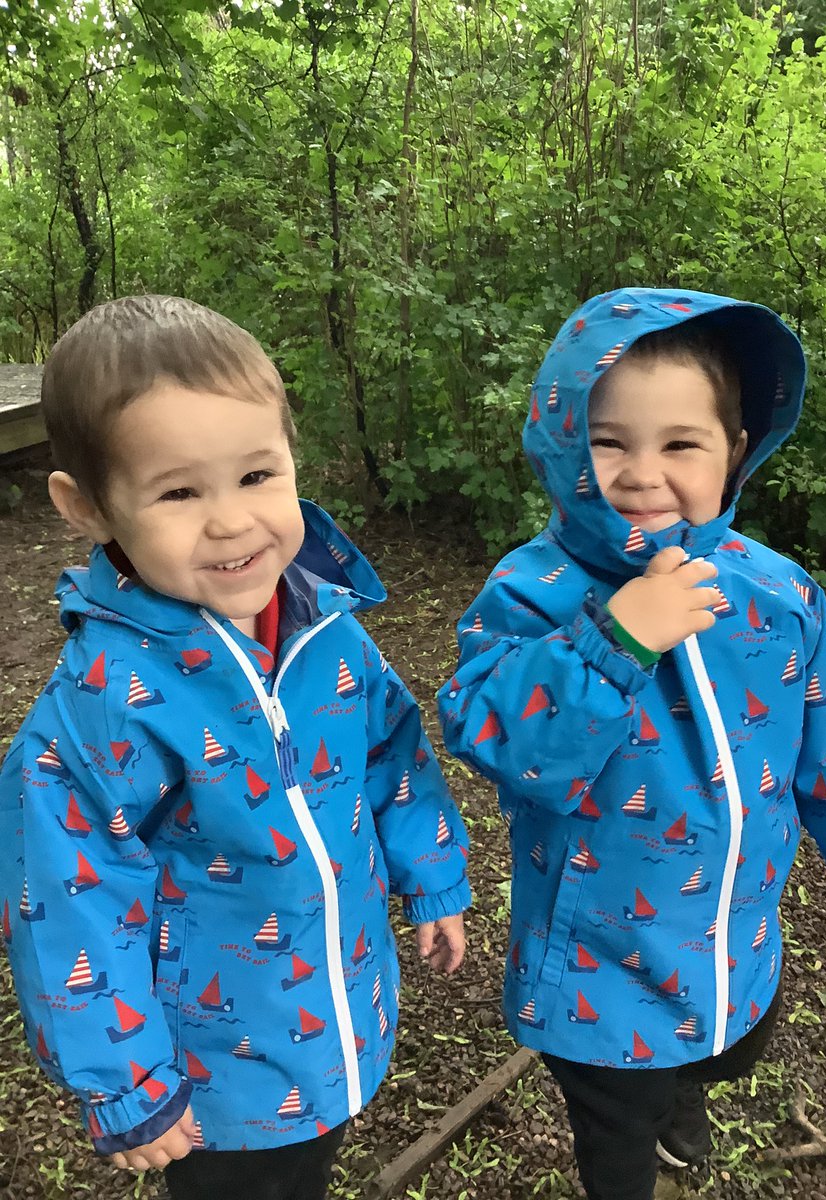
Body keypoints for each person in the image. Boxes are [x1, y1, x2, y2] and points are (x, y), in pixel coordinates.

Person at [0, 295, 469, 1200]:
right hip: (212, 1065)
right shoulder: (104, 705)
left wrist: (433, 874)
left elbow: (392, 758)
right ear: (87, 507)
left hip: (338, 1006)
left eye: (258, 476)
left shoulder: (326, 630)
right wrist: (125, 1077)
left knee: (307, 1167)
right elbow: (64, 898)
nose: (232, 522)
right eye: (179, 491)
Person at [437, 287, 826, 1200]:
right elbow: (495, 734)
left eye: (679, 443)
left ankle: (688, 1092)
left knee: (732, 1050)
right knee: (617, 1128)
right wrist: (614, 639)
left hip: (733, 932)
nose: (642, 473)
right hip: (596, 958)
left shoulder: (776, 592)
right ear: (564, 445)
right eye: (608, 442)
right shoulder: (532, 590)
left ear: (734, 452)